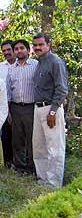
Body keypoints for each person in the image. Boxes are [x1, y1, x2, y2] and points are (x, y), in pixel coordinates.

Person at [32, 33, 68, 188]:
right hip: (38, 108)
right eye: (35, 45)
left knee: (54, 148)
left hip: (51, 109)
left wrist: (53, 111)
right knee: (39, 147)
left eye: (41, 44)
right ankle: (43, 180)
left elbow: (62, 89)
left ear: (49, 44)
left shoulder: (55, 62)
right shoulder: (39, 62)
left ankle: (53, 185)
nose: (37, 47)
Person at [7, 40, 38, 174]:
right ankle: (20, 167)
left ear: (28, 49)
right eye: (16, 49)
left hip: (31, 107)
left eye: (22, 48)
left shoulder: (36, 65)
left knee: (32, 139)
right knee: (17, 139)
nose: (19, 51)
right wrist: (8, 111)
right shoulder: (11, 69)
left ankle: (32, 168)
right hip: (15, 108)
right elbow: (8, 90)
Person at [0, 40, 16, 168]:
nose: (6, 53)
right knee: (6, 135)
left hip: (20, 105)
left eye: (9, 50)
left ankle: (21, 163)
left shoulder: (23, 65)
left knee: (20, 136)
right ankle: (8, 164)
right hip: (4, 105)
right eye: (4, 51)